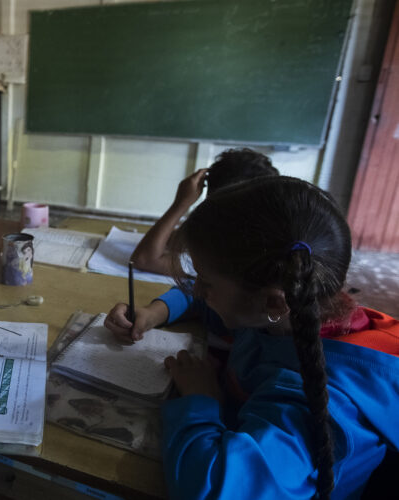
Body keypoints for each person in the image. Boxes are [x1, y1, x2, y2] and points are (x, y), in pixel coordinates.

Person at [105, 176, 399, 499]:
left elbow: (210, 489)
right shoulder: (288, 308)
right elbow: (204, 299)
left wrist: (200, 400)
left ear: (274, 302)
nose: (197, 289)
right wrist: (157, 310)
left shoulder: (316, 404)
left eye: (206, 281)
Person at [130, 148, 278, 275]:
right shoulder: (231, 224)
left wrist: (181, 203)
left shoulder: (234, 250)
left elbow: (144, 259)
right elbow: (176, 241)